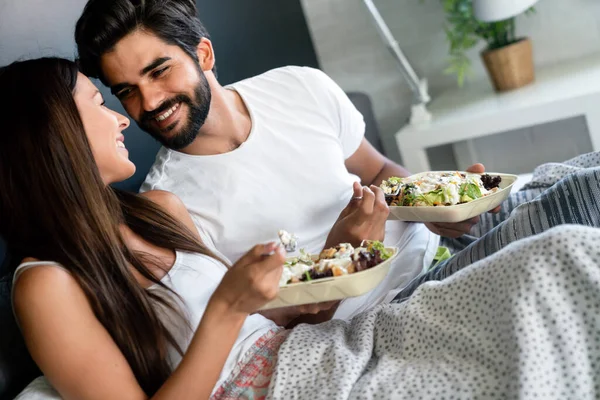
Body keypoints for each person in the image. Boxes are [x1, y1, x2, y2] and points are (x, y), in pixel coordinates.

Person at [4, 58, 600, 400]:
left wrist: (348, 243)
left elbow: (286, 316)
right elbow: (231, 328)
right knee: (562, 258)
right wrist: (228, 308)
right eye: (102, 101)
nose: (122, 116)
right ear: (55, 136)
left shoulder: (157, 212)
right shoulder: (45, 284)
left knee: (560, 241)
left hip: (320, 349)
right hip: (284, 387)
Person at [73, 0, 496, 324]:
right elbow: (254, 328)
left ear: (203, 55)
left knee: (558, 198)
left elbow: (380, 171)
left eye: (159, 71)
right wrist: (339, 251)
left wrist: (440, 208)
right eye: (126, 91)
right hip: (381, 316)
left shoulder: (300, 85)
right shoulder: (167, 207)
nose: (147, 102)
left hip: (441, 252)